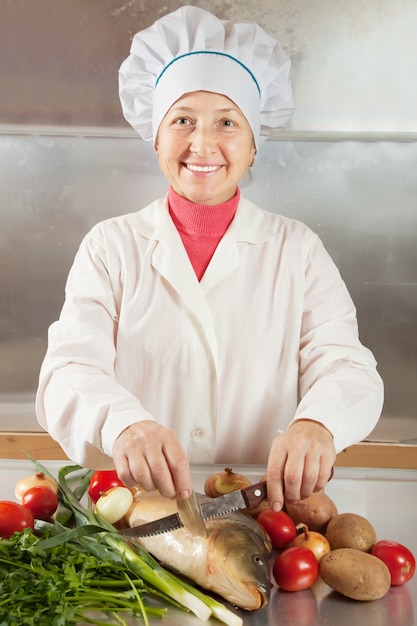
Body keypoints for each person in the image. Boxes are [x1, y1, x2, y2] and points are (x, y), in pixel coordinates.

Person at [36, 5, 383, 512]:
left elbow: (346, 364)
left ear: (253, 142)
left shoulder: (297, 249)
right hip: (138, 511)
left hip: (259, 513)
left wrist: (320, 422)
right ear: (155, 137)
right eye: (182, 121)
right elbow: (68, 368)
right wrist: (124, 423)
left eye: (226, 122)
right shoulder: (110, 246)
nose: (203, 144)